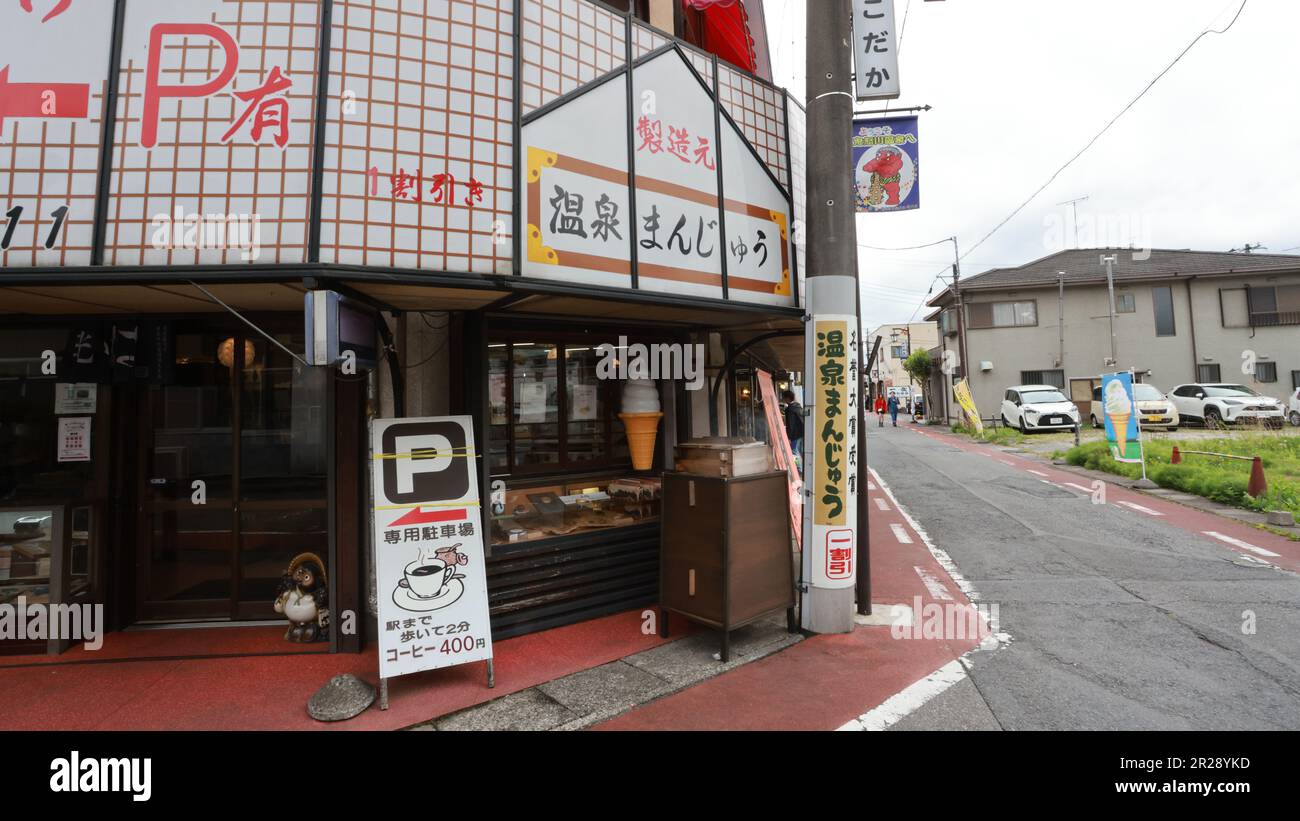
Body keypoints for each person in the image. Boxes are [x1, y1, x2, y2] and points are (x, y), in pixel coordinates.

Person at [781, 389, 804, 457]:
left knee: (794, 452)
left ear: (787, 398)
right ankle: (803, 466)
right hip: (802, 433)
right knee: (801, 451)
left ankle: (798, 467)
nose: (783, 399)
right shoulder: (798, 406)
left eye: (784, 398)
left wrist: (789, 437)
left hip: (795, 435)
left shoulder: (790, 409)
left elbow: (791, 424)